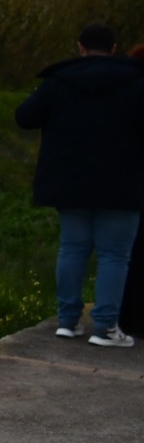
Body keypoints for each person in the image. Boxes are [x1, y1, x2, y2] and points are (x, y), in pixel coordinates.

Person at [14, 23, 144, 347]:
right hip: (123, 184)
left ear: (80, 47)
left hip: (69, 183)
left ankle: (68, 321)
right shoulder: (137, 80)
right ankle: (105, 328)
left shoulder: (59, 80)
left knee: (72, 248)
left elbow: (25, 117)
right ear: (114, 49)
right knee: (114, 256)